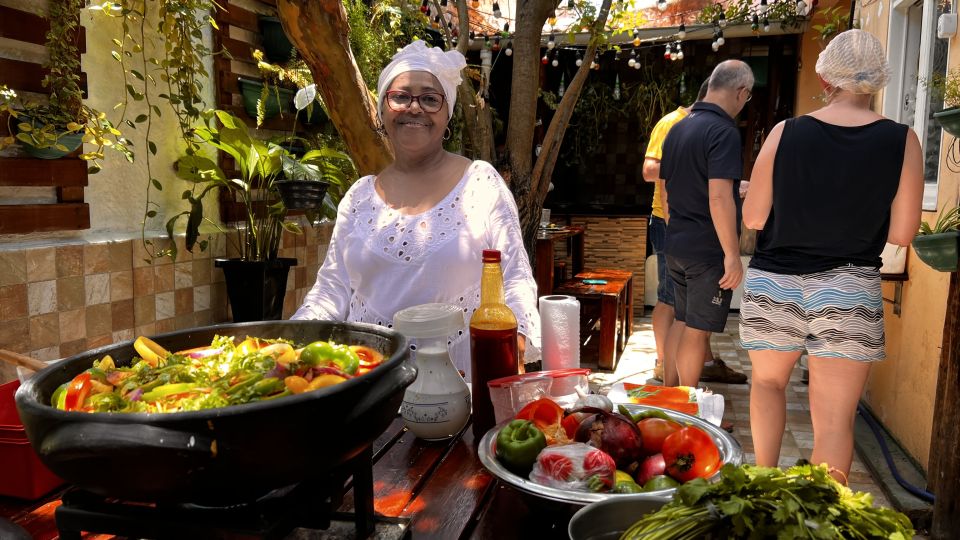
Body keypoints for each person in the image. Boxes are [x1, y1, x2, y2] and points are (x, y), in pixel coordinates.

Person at [292, 40, 541, 379]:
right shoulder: (359, 197)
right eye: (400, 96)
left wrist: (516, 343)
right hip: (369, 384)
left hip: (460, 388)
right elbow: (332, 289)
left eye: (429, 98)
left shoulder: (480, 183)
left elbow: (515, 277)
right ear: (382, 110)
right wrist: (290, 342)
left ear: (447, 113)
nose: (414, 108)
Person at [740, 29, 922, 484]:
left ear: (825, 78)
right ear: (878, 82)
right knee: (835, 421)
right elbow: (901, 232)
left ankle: (762, 486)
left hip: (775, 281)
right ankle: (824, 521)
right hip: (850, 286)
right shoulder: (903, 140)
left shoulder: (786, 132)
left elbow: (755, 216)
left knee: (766, 384)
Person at [643, 78, 747, 387]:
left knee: (683, 319)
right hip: (704, 247)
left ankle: (671, 394)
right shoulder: (723, 132)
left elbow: (667, 191)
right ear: (741, 92)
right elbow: (718, 196)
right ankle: (687, 406)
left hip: (678, 238)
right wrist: (732, 255)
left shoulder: (679, 128)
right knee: (696, 330)